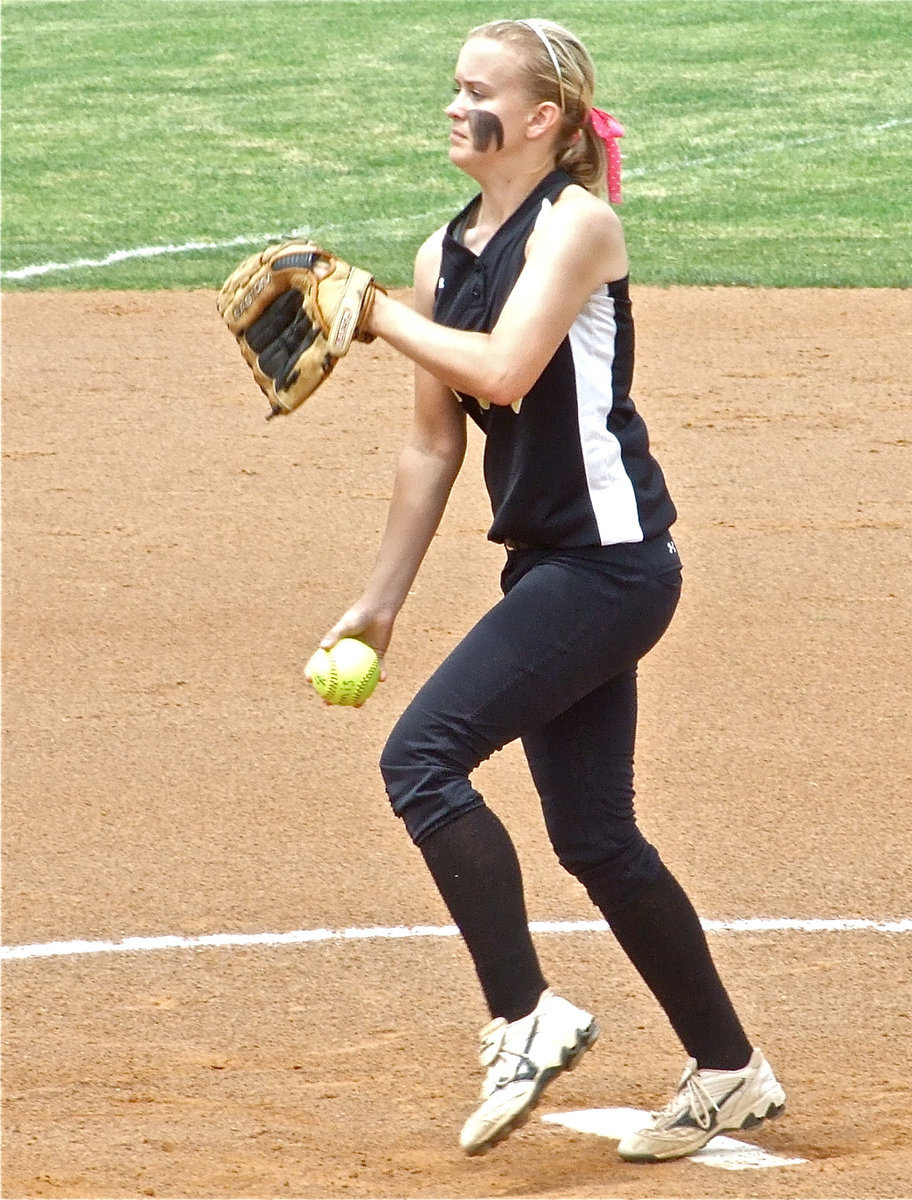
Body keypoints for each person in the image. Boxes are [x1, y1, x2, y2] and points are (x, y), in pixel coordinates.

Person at [312, 17, 786, 1161]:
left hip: (614, 565)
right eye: (453, 86)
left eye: (478, 91)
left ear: (542, 119)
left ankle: (526, 1016)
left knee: (421, 758)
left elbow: (506, 369)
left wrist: (377, 318)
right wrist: (379, 603)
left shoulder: (579, 227)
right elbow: (435, 444)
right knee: (597, 837)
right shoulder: (440, 257)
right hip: (548, 566)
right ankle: (729, 1071)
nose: (455, 105)